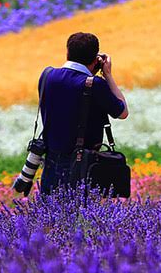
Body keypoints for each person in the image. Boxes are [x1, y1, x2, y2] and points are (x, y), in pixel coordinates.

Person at [37, 32, 129, 195]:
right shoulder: (95, 85)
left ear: (67, 53)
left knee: (50, 217)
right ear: (96, 60)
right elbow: (122, 112)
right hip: (81, 165)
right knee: (79, 216)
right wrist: (107, 74)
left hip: (50, 161)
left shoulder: (47, 76)